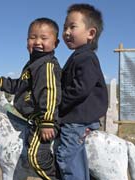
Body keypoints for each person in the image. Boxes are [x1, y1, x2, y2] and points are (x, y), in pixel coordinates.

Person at [0, 17, 61, 180]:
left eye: (44, 38)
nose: (37, 42)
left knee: (36, 157)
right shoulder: (32, 65)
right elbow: (19, 85)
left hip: (43, 121)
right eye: (32, 37)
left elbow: (50, 93)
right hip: (32, 120)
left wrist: (47, 121)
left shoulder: (46, 65)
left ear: (55, 43)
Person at [56, 3, 108, 180]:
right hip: (79, 118)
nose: (66, 32)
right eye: (64, 28)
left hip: (77, 121)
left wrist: (58, 104)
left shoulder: (86, 58)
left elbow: (80, 88)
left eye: (72, 27)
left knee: (66, 157)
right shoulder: (79, 56)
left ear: (90, 33)